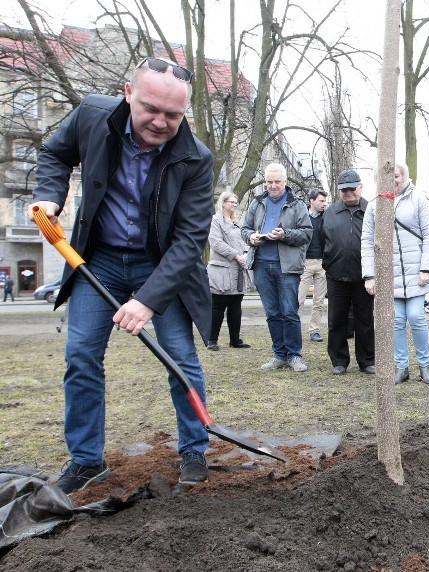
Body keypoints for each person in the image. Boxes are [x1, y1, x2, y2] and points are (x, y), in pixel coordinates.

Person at [29, 56, 214, 491]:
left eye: (173, 114)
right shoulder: (92, 116)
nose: (160, 121)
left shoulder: (195, 158)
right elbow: (55, 154)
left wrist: (148, 299)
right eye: (151, 107)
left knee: (180, 358)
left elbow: (189, 241)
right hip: (99, 261)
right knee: (81, 357)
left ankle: (194, 448)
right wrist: (49, 198)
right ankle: (87, 459)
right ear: (128, 92)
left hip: (160, 265)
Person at [362, 163, 429, 385]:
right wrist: (370, 275)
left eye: (395, 176)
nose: (392, 180)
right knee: (396, 321)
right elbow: (366, 243)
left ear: (403, 176)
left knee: (416, 317)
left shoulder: (418, 199)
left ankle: (424, 366)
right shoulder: (374, 205)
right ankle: (402, 367)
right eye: (387, 176)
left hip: (416, 274)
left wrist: (426, 268)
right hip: (389, 276)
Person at [242, 163, 312, 372]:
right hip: (262, 264)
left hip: (287, 266)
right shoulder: (257, 202)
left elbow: (307, 233)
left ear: (285, 182)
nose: (273, 186)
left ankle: (294, 355)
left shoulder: (297, 204)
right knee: (272, 313)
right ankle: (279, 354)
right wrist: (251, 237)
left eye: (277, 182)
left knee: (289, 312)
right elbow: (244, 228)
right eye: (269, 182)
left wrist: (285, 234)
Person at [322, 170, 375, 375]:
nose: (348, 192)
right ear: (339, 191)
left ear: (361, 188)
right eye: (344, 189)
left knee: (365, 320)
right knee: (336, 320)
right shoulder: (330, 212)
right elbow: (321, 240)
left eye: (352, 188)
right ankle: (339, 360)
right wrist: (329, 264)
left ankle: (367, 360)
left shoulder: (371, 210)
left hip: (364, 276)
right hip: (336, 275)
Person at [206, 191, 250, 351]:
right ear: (223, 203)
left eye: (236, 202)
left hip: (238, 270)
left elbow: (244, 241)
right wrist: (236, 255)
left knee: (236, 305)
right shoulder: (215, 221)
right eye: (231, 201)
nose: (234, 204)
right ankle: (212, 339)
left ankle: (235, 339)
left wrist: (245, 253)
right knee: (218, 305)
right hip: (221, 270)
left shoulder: (237, 223)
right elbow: (216, 243)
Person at [298, 189, 329, 343]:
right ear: (312, 200)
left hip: (322, 263)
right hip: (305, 263)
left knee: (319, 301)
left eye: (325, 201)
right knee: (298, 299)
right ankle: (295, 329)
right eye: (321, 201)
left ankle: (314, 331)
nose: (324, 204)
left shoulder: (327, 218)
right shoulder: (302, 216)